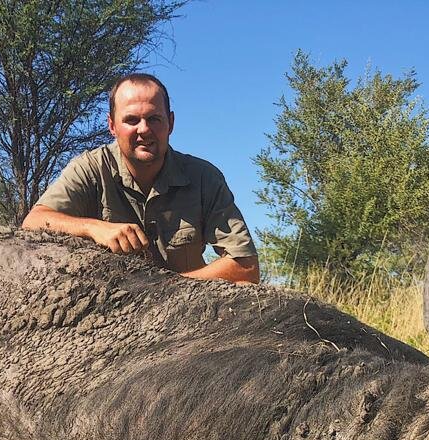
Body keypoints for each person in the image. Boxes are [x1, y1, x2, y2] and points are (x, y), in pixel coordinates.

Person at [22, 73, 259, 283]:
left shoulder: (204, 177)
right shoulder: (90, 167)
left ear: (171, 123)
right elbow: (34, 221)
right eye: (131, 120)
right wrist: (94, 228)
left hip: (187, 314)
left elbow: (245, 266)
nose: (144, 129)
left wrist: (164, 290)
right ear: (112, 125)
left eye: (154, 119)